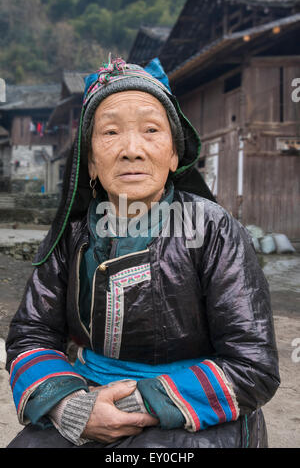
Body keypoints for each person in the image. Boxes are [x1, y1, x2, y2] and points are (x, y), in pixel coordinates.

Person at [5, 57, 280, 448]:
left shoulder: (214, 230)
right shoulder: (72, 237)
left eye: (151, 130)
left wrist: (134, 404)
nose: (131, 149)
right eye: (111, 132)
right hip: (87, 395)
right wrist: (72, 407)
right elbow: (31, 335)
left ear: (173, 155)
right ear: (91, 164)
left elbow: (253, 365)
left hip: (200, 405)